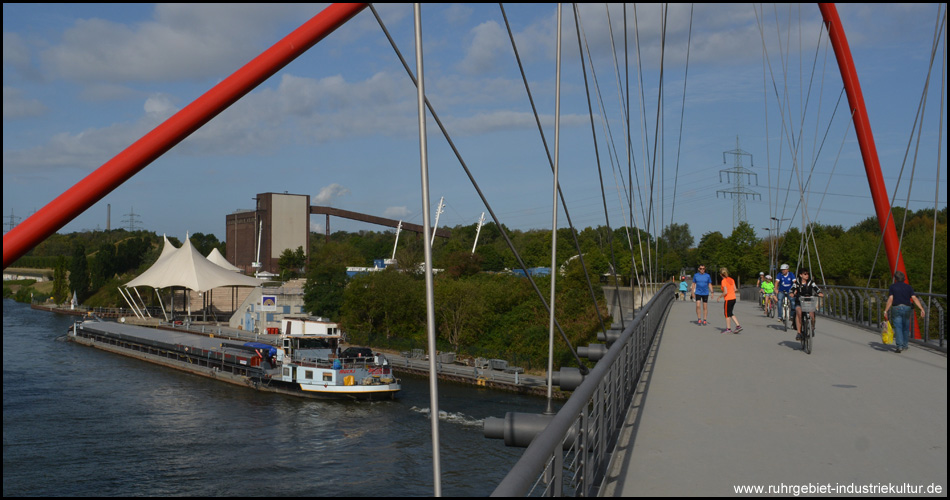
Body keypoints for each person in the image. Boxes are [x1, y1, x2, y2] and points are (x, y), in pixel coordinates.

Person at [883, 270, 926, 353]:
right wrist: (921, 308)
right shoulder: (909, 287)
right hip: (907, 308)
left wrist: (886, 310)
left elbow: (890, 299)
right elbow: (914, 298)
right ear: (904, 279)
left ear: (895, 279)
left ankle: (899, 347)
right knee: (906, 327)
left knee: (898, 327)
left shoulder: (892, 287)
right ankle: (905, 345)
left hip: (896, 308)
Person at [790, 268, 823, 341]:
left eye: (807, 274)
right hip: (799, 301)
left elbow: (816, 288)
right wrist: (791, 293)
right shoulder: (797, 283)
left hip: (809, 301)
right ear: (801, 275)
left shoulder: (811, 282)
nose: (807, 275)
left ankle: (812, 327)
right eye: (805, 274)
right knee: (798, 311)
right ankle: (799, 332)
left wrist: (819, 293)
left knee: (811, 314)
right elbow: (792, 289)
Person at [716, 267, 742, 333]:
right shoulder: (731, 279)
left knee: (726, 314)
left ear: (721, 274)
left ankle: (728, 329)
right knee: (730, 313)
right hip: (733, 298)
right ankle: (738, 325)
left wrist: (719, 297)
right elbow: (735, 289)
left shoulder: (723, 281)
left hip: (728, 299)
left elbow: (725, 292)